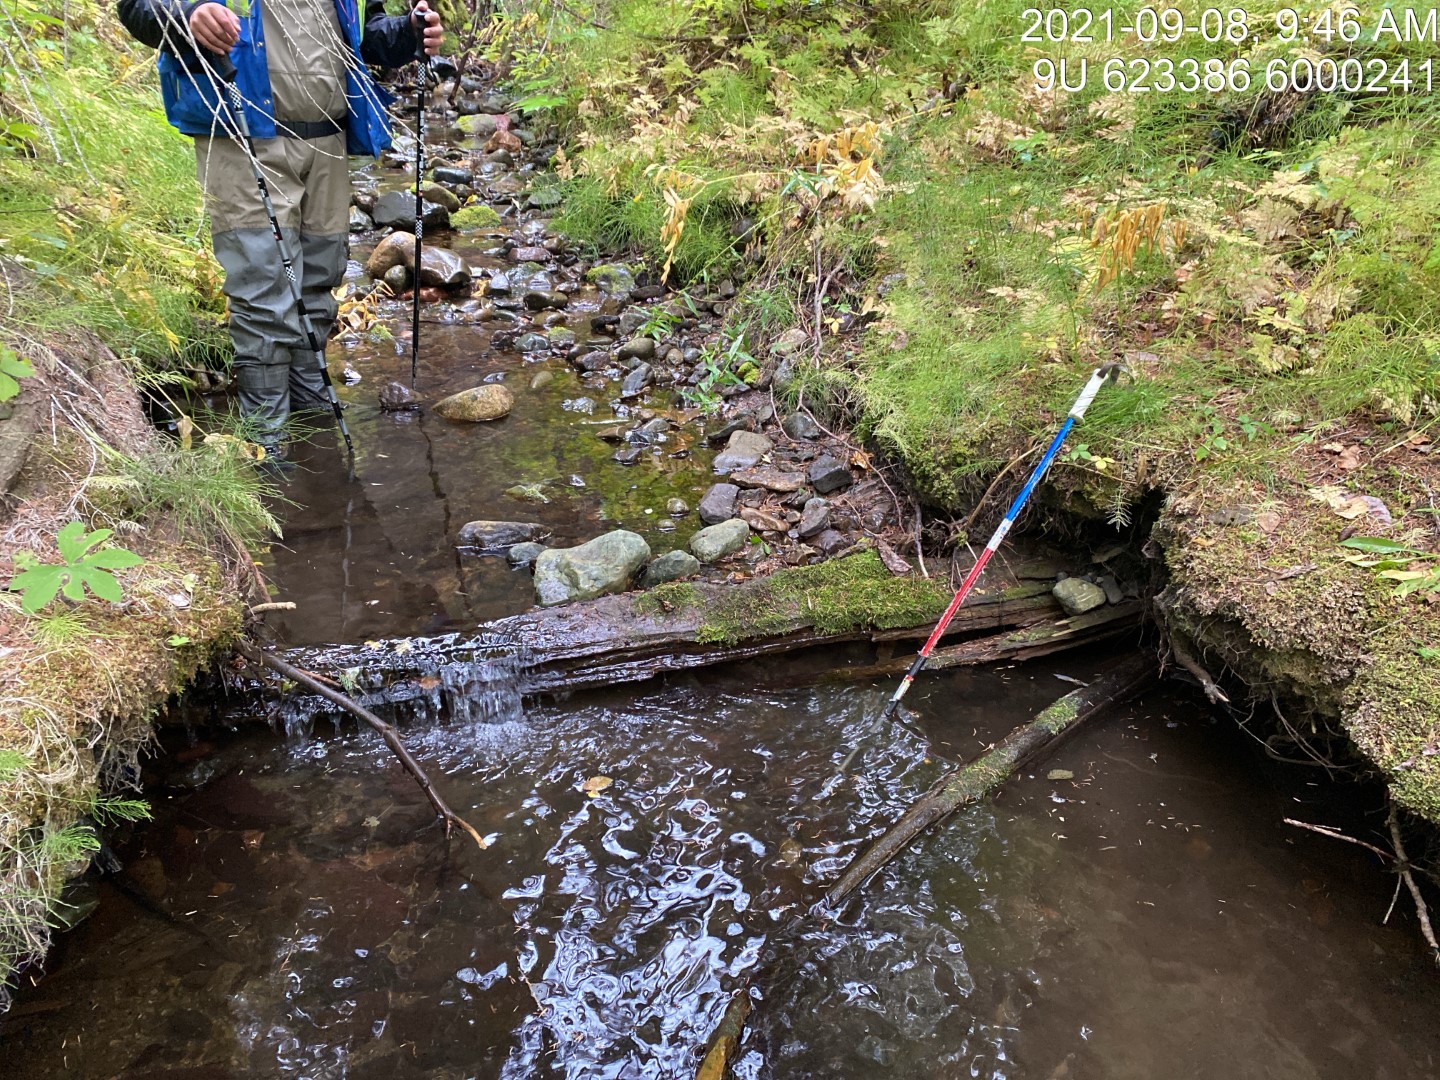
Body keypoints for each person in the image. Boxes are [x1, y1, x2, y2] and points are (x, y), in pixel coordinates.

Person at [116, 0, 444, 454]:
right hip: (242, 135)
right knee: (264, 290)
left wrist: (408, 32)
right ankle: (267, 441)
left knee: (320, 278)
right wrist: (188, 14)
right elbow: (138, 8)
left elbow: (366, 35)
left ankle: (312, 416)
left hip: (327, 139)